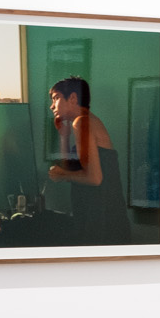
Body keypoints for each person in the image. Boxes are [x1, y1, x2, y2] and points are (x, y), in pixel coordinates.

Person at [47, 76, 131, 244]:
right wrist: (64, 136)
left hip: (102, 221)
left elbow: (94, 178)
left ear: (72, 98)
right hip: (100, 215)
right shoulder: (84, 122)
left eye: (56, 98)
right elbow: (74, 168)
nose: (52, 106)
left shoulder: (82, 122)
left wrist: (62, 175)